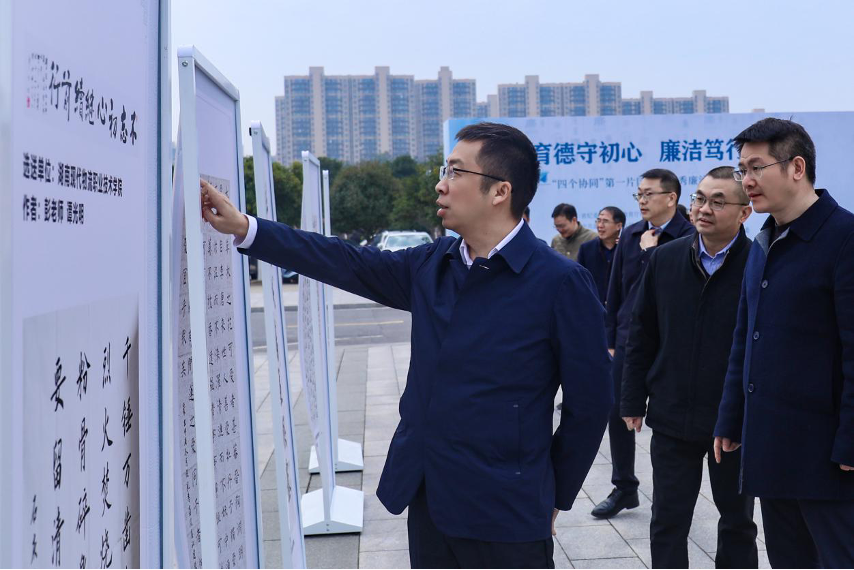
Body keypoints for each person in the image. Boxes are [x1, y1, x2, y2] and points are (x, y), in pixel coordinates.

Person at [200, 122, 613, 569]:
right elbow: (345, 260)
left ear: (500, 191)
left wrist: (555, 494)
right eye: (444, 170)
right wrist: (247, 228)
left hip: (507, 509)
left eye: (455, 172)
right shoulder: (434, 264)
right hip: (430, 495)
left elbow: (589, 404)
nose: (441, 184)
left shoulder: (559, 282)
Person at [714, 118, 854, 568]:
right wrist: (731, 417)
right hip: (772, 449)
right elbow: (744, 337)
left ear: (797, 167)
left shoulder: (844, 238)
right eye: (742, 170)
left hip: (828, 457)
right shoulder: (764, 241)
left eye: (757, 167)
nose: (747, 181)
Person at [621, 167, 757, 568]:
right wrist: (632, 398)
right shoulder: (665, 258)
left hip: (731, 421)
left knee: (737, 522)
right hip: (672, 413)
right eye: (699, 198)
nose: (704, 208)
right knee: (667, 520)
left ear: (744, 212)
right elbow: (642, 332)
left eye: (718, 201)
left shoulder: (759, 264)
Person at [594, 169, 695, 519]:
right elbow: (616, 289)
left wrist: (652, 254)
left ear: (671, 198)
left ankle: (672, 495)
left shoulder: (690, 236)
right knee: (618, 412)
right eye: (639, 194)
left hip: (671, 342)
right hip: (629, 339)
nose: (642, 200)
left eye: (649, 194)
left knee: (667, 419)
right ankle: (624, 486)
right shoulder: (631, 234)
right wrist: (610, 338)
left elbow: (677, 289)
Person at [577, 206, 625, 305]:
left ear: (618, 226)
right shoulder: (586, 249)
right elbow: (581, 281)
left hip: (621, 306)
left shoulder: (627, 248)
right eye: (598, 221)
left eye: (605, 221)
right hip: (594, 306)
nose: (600, 225)